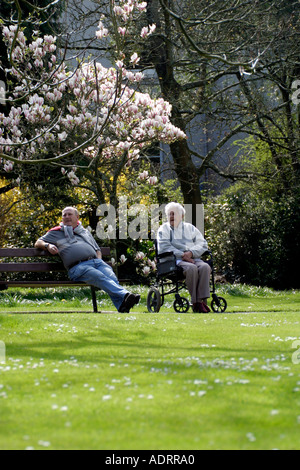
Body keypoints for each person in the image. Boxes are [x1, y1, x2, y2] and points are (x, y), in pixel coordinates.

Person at [35, 207, 140, 313]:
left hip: (96, 262)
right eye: (64, 215)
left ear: (77, 217)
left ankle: (122, 307)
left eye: (69, 214)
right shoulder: (56, 232)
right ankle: (126, 295)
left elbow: (97, 250)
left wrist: (99, 261)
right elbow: (38, 242)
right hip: (78, 267)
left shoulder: (84, 232)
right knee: (98, 276)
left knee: (111, 276)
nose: (66, 217)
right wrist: (47, 245)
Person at [157, 202, 211, 313]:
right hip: (174, 261)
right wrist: (182, 255)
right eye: (169, 214)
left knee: (205, 267)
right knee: (191, 268)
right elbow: (164, 247)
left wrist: (191, 252)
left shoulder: (190, 228)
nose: (171, 216)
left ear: (181, 216)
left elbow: (203, 244)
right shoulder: (164, 229)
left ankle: (201, 301)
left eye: (174, 214)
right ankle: (196, 302)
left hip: (192, 258)